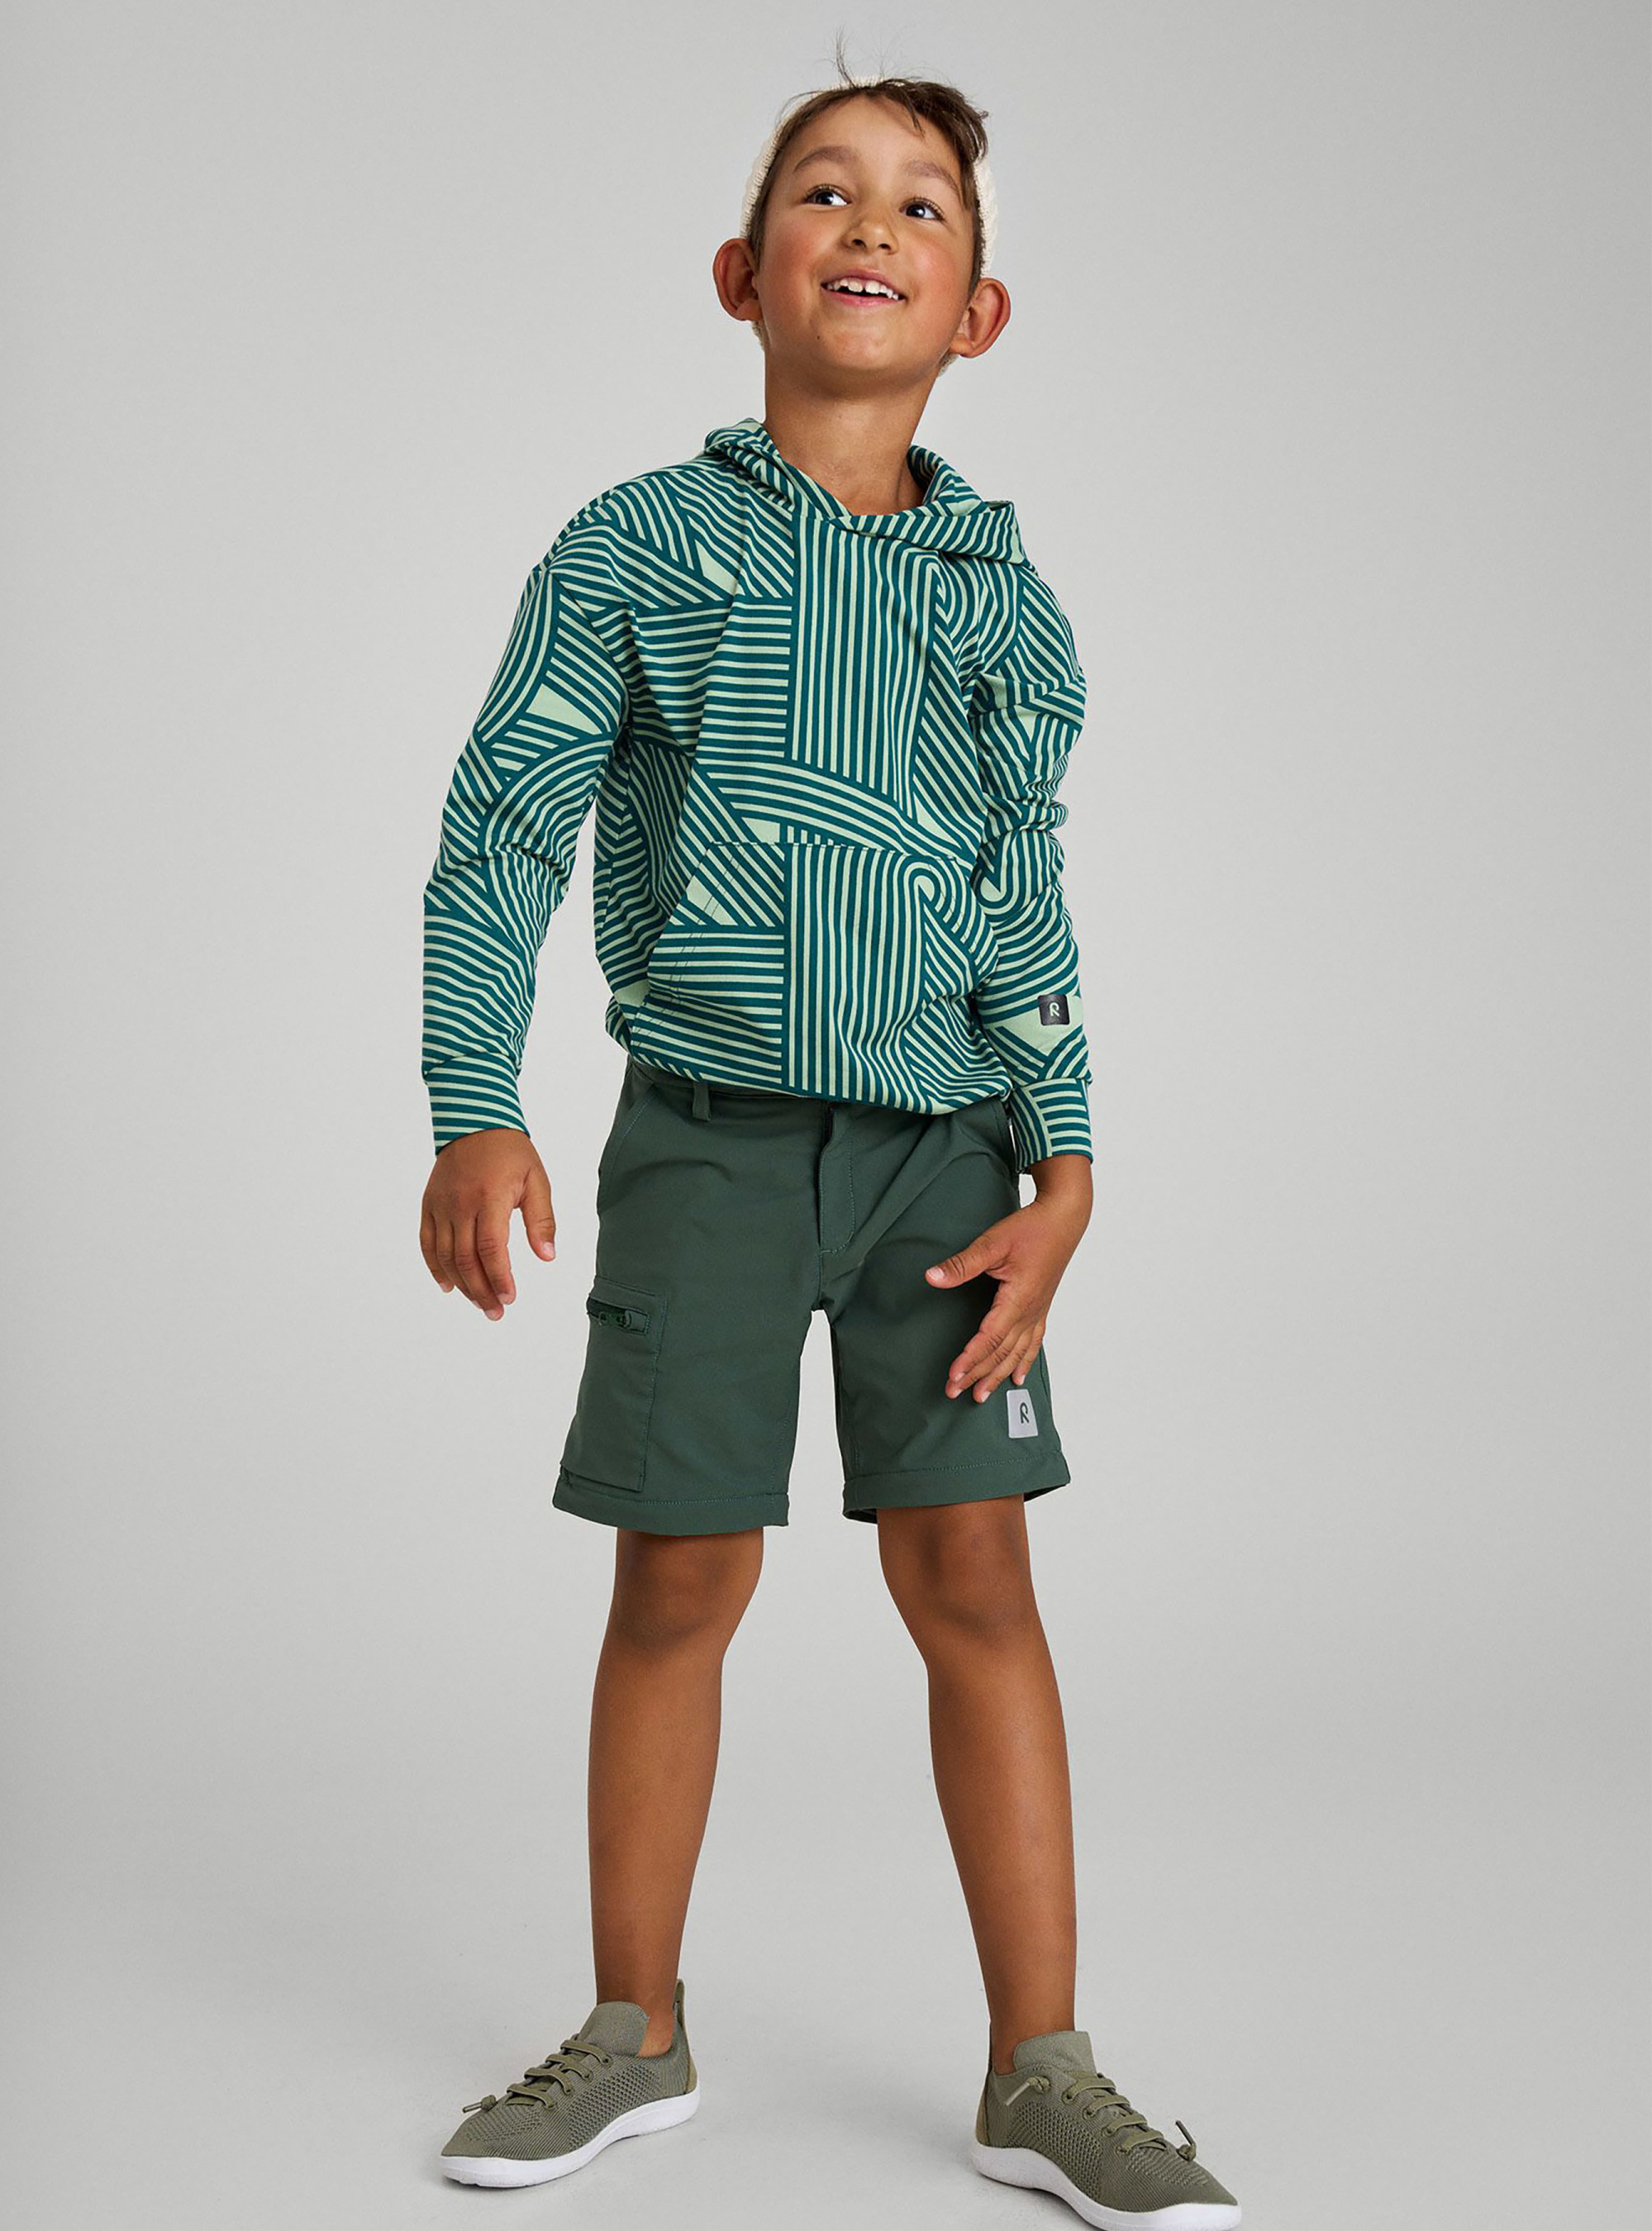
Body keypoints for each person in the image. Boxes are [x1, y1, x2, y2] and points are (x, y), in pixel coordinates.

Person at [417, 58, 1241, 2229]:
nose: (870, 225)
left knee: (974, 1571)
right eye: (821, 192)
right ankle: (634, 2025)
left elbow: (1021, 892)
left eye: (920, 206)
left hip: (943, 1163)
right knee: (679, 1570)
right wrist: (474, 1102)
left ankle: (1041, 2067)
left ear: (979, 309)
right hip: (701, 1140)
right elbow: (502, 829)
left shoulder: (1000, 601)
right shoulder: (635, 546)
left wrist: (1067, 1171)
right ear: (742, 272)